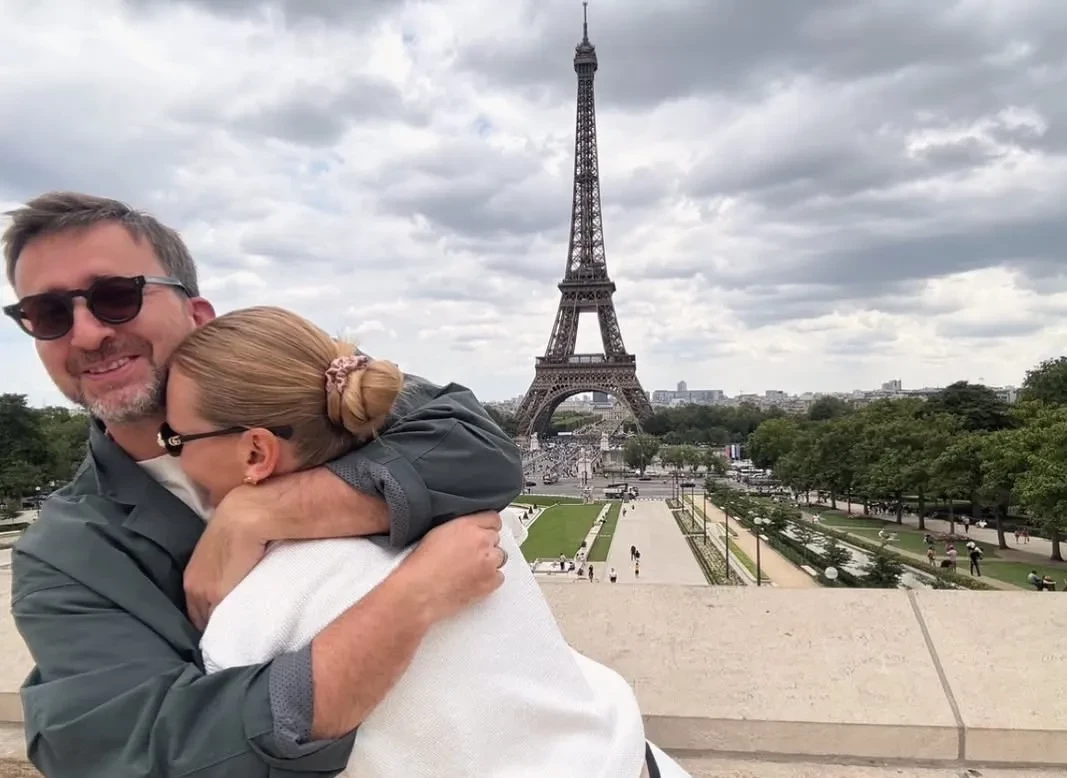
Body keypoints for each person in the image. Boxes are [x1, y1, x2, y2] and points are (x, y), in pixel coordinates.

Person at [2, 192, 522, 778]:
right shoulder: (63, 553)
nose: (86, 333)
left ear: (198, 314)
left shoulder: (296, 378)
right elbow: (141, 752)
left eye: (116, 297)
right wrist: (411, 600)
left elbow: (484, 451)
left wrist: (262, 512)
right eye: (48, 313)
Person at [164, 306, 689, 777]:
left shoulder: (247, 618)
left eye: (174, 439)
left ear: (256, 453)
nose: (171, 457)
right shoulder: (464, 515)